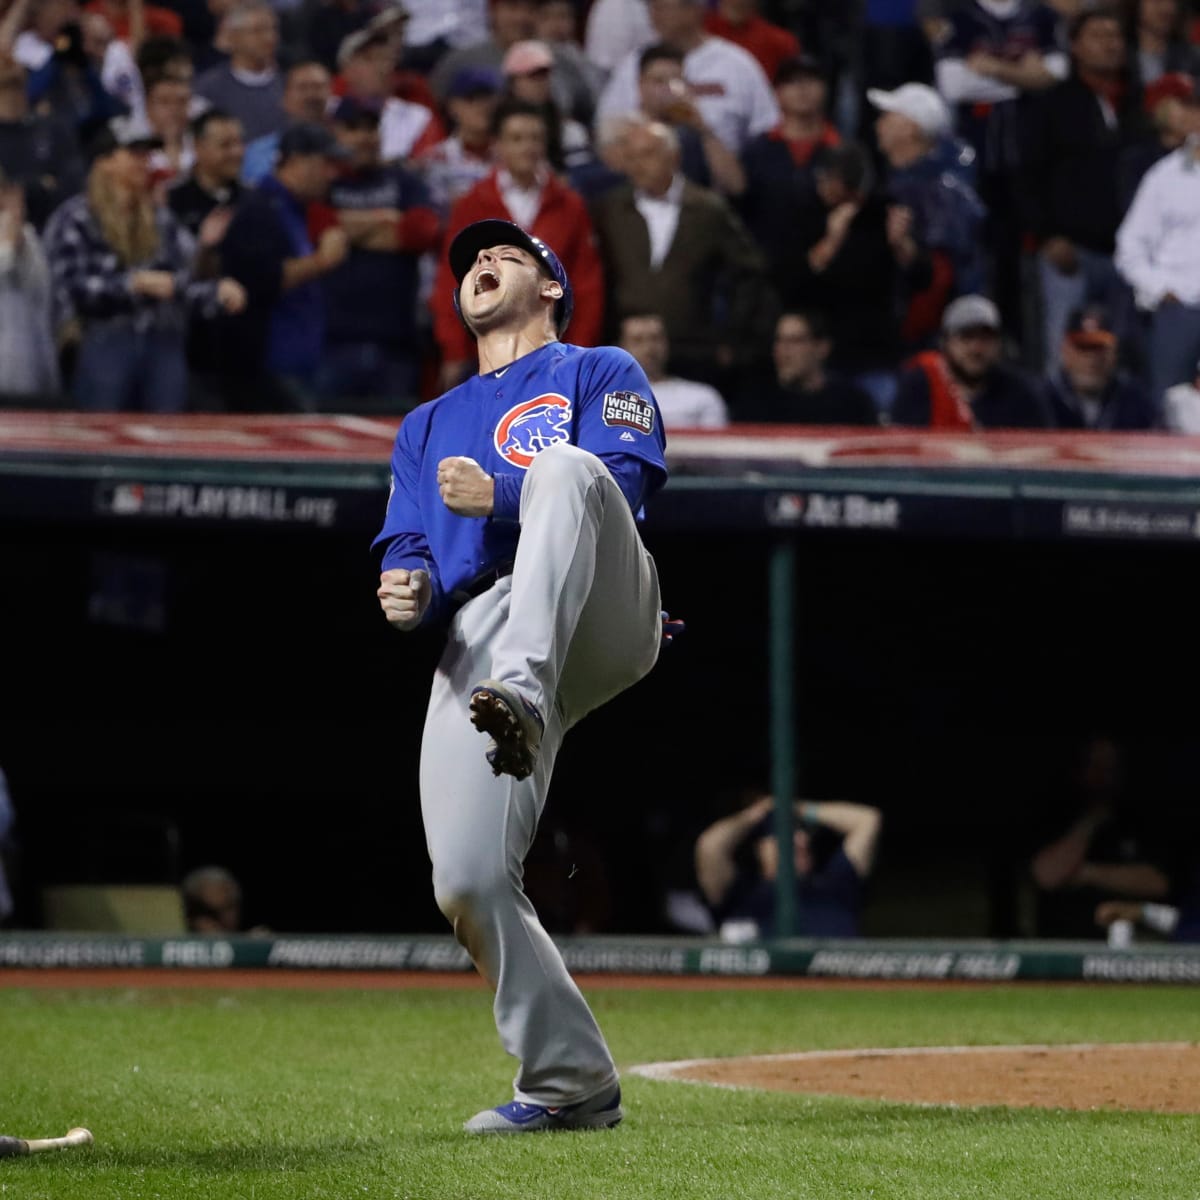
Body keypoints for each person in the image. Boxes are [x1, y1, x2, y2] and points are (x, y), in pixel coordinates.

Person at [372, 216, 672, 1134]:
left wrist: (500, 492)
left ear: (552, 287)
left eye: (506, 253)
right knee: (464, 879)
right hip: (486, 633)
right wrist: (407, 584)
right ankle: (570, 1081)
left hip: (600, 607)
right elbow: (408, 540)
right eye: (469, 260)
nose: (482, 262)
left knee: (566, 467)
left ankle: (529, 697)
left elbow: (618, 486)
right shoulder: (425, 424)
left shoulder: (597, 369)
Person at [42, 115, 247, 411]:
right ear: (105, 161)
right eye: (133, 154)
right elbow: (73, 288)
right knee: (102, 441)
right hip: (104, 341)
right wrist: (134, 283)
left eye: (146, 155)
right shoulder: (76, 218)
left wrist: (216, 291)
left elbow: (179, 282)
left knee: (163, 443)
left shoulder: (160, 219)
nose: (143, 162)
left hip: (163, 342)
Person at [431, 98, 604, 389]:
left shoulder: (569, 206)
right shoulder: (474, 204)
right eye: (517, 138)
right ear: (497, 145)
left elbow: (586, 284)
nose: (528, 147)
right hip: (484, 352)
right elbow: (452, 279)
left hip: (552, 354)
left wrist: (579, 352)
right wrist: (454, 351)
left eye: (535, 138)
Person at [590, 117, 770, 389]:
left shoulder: (708, 210)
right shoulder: (610, 209)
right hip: (626, 351)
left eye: (647, 155)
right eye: (631, 157)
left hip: (692, 348)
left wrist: (733, 339)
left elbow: (749, 272)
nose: (637, 165)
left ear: (674, 157)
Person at [218, 121, 351, 410]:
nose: (332, 173)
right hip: (270, 365)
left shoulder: (294, 207)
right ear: (297, 161)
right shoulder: (261, 207)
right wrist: (321, 261)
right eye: (324, 163)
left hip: (298, 360)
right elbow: (258, 281)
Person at [319, 95, 440, 405]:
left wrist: (348, 231)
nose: (363, 137)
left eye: (370, 128)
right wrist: (385, 220)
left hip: (395, 342)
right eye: (352, 128)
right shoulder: (323, 184)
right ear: (335, 134)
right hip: (331, 342)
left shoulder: (403, 182)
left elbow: (422, 231)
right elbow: (318, 230)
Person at [1028, 735, 1173, 939]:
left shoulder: (1139, 820)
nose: (1102, 775)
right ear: (1079, 771)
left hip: (1126, 954)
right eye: (1095, 766)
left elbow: (1158, 883)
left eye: (1110, 767)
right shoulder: (1056, 814)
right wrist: (1090, 822)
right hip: (1061, 947)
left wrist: (1086, 872)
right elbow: (1047, 876)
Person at [694, 793, 883, 939]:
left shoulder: (835, 885)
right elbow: (710, 846)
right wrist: (758, 812)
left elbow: (867, 820)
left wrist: (797, 808)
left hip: (840, 984)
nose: (801, 840)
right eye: (785, 835)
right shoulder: (741, 893)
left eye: (802, 833)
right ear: (761, 849)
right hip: (763, 986)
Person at [1114, 120, 1200, 409]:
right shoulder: (1166, 176)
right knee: (1168, 409)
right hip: (1179, 310)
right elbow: (1129, 248)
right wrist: (1163, 290)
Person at [893, 292, 1049, 428]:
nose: (976, 348)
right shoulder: (920, 387)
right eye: (966, 337)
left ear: (999, 344)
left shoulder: (1022, 394)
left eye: (986, 338)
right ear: (945, 342)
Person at [738, 310, 879, 425]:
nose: (783, 350)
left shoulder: (852, 404)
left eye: (794, 341)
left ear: (822, 348)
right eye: (778, 340)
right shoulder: (756, 403)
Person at [1041, 303, 1159, 429]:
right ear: (1065, 351)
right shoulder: (1041, 400)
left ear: (1114, 354)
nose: (1091, 359)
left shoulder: (1136, 403)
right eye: (1083, 347)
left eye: (1099, 348)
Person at [0, 169, 60, 399]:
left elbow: (41, 286)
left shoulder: (28, 237)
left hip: (24, 366)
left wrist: (18, 242)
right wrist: (7, 249)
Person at [618, 310, 729, 428]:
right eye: (637, 340)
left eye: (655, 339)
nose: (649, 348)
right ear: (621, 348)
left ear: (667, 344)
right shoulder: (603, 397)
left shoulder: (703, 397)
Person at [241, 60, 333, 186]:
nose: (311, 95)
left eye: (318, 87)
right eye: (303, 88)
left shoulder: (346, 144)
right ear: (284, 99)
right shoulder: (258, 152)